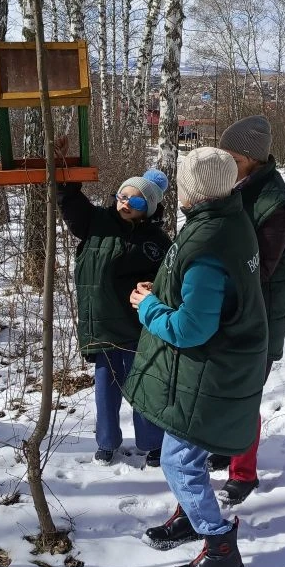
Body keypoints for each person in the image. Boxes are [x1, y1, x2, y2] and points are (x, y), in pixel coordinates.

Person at [123, 147, 268, 567]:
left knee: (178, 460)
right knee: (184, 457)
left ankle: (220, 547)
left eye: (183, 182)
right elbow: (204, 292)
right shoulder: (227, 220)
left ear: (194, 190)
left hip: (209, 373)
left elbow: (190, 329)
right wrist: (163, 288)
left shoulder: (208, 244)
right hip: (211, 368)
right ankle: (190, 514)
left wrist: (148, 307)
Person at [56, 137, 171, 466]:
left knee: (143, 384)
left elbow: (168, 277)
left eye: (134, 201)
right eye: (122, 196)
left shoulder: (156, 240)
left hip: (137, 326)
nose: (125, 203)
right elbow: (70, 200)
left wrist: (154, 286)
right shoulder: (96, 222)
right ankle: (106, 442)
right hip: (103, 324)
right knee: (106, 387)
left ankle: (152, 443)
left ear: (148, 208)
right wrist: (63, 168)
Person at [209, 115, 285, 506]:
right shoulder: (241, 187)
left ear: (252, 159)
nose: (225, 164)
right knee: (221, 391)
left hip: (258, 320)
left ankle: (244, 474)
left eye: (231, 158)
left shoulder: (275, 206)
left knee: (244, 398)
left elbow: (258, 270)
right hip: (234, 312)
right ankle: (225, 445)